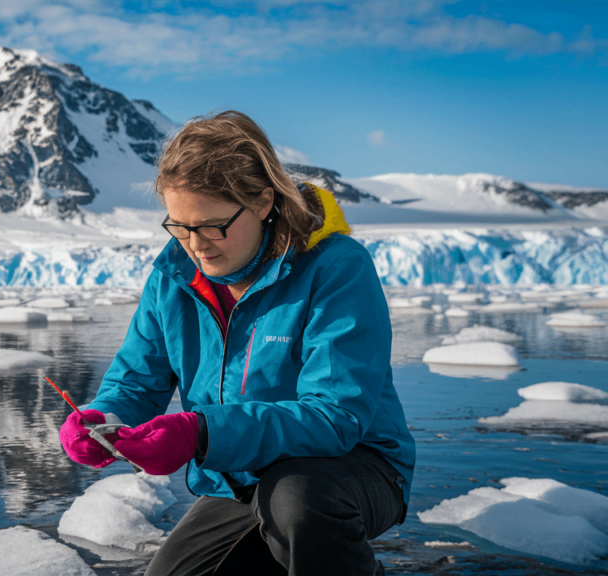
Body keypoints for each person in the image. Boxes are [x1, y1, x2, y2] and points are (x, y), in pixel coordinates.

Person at [58, 111, 415, 576]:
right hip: (239, 479)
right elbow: (136, 380)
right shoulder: (172, 277)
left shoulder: (336, 268)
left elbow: (336, 416)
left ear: (264, 201)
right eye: (180, 226)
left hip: (352, 467)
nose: (195, 245)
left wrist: (200, 432)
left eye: (212, 225)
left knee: (294, 501)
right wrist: (105, 419)